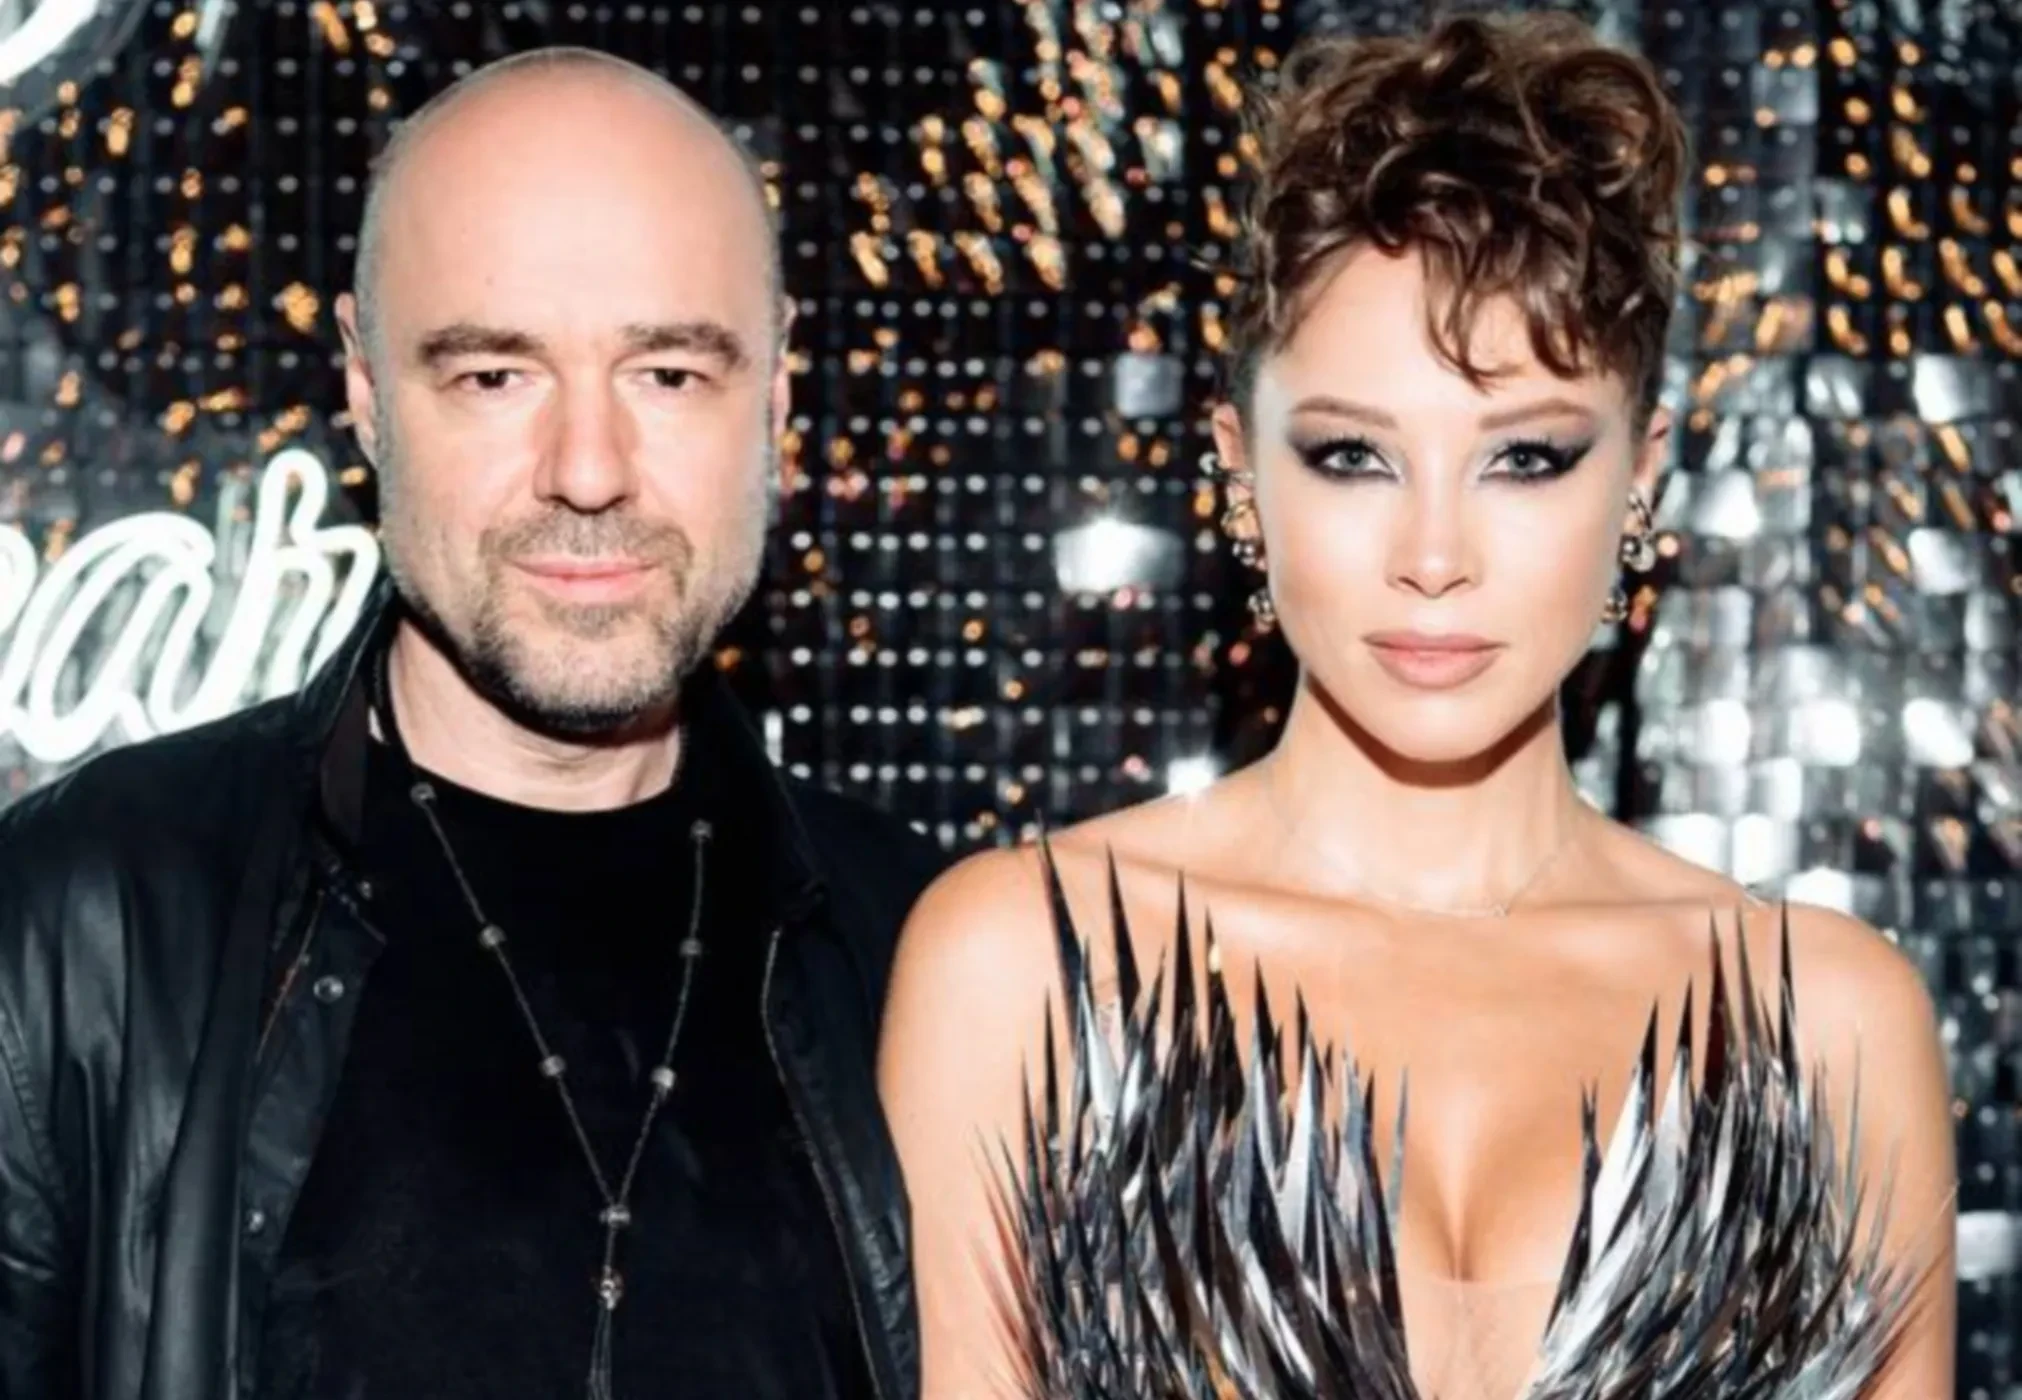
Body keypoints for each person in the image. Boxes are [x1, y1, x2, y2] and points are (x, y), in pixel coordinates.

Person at [879, 14, 1957, 1400]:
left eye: (1524, 458)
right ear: (1240, 474)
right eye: (1352, 455)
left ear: (1640, 477)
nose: (1433, 556)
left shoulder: (1828, 1032)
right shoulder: (1024, 968)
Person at [0, 47, 946, 1400]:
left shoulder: (926, 960)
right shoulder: (77, 923)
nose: (587, 471)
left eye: (669, 374)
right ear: (367, 394)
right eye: (495, 376)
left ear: (779, 394)